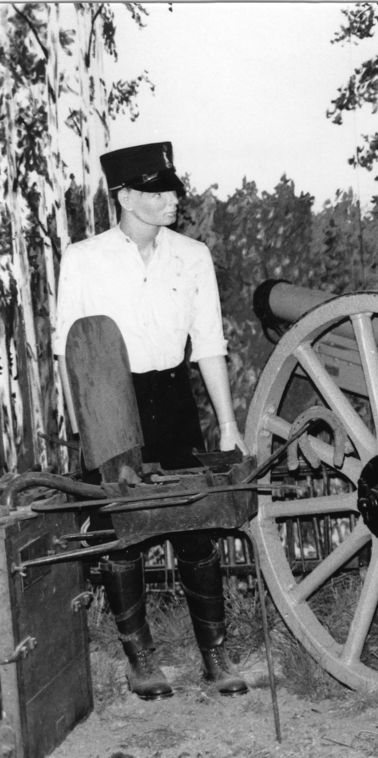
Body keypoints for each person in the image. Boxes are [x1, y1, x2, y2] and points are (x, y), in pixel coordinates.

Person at [52, 142, 248, 700]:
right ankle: (141, 660)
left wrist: (227, 425)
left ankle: (216, 656)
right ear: (126, 196)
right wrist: (84, 428)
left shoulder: (193, 254)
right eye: (159, 191)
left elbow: (210, 344)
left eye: (173, 190)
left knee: (197, 521)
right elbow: (70, 348)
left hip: (175, 397)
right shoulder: (83, 258)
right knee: (122, 533)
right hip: (110, 399)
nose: (172, 200)